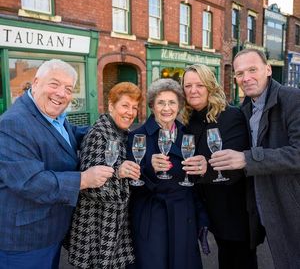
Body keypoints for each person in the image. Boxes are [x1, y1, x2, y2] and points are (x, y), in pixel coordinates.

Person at [0, 59, 114, 269]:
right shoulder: (13, 123)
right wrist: (84, 179)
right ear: (36, 83)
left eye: (68, 88)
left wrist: (114, 129)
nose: (61, 93)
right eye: (54, 84)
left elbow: (70, 136)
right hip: (25, 242)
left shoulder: (52, 115)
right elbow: (30, 182)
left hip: (50, 234)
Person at [209, 48, 300, 269]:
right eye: (240, 73)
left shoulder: (292, 99)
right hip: (262, 207)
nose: (246, 78)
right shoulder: (244, 110)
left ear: (268, 69)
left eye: (252, 70)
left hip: (292, 205)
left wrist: (247, 159)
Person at [182, 64, 263, 269]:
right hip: (211, 209)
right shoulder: (187, 120)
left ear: (210, 86)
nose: (193, 90)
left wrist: (206, 167)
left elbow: (238, 166)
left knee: (240, 262)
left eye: (199, 84)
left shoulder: (230, 116)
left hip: (235, 211)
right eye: (188, 85)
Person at [127, 78, 208, 269]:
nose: (166, 108)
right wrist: (149, 168)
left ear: (179, 106)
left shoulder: (187, 134)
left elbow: (195, 182)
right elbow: (130, 183)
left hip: (184, 215)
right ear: (152, 106)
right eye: (161, 102)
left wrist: (202, 216)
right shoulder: (137, 136)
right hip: (152, 216)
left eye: (172, 102)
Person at [65, 82, 143, 269]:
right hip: (98, 228)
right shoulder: (99, 134)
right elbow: (90, 188)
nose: (130, 112)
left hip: (116, 225)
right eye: (125, 105)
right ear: (111, 106)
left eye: (134, 107)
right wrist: (119, 172)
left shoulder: (124, 133)